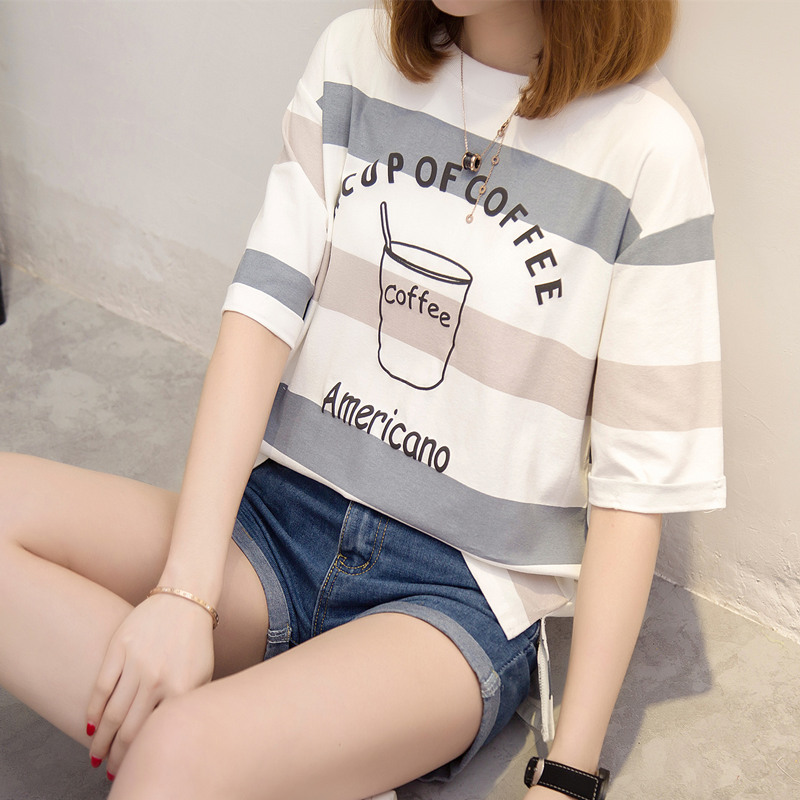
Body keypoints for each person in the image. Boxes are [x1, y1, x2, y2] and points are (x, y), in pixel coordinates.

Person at [0, 1, 725, 798]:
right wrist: (183, 594)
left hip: (456, 593)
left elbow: (634, 488)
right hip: (277, 523)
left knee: (179, 749)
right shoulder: (356, 54)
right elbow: (259, 319)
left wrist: (568, 774)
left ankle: (224, 753)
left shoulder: (648, 145)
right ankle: (259, 757)